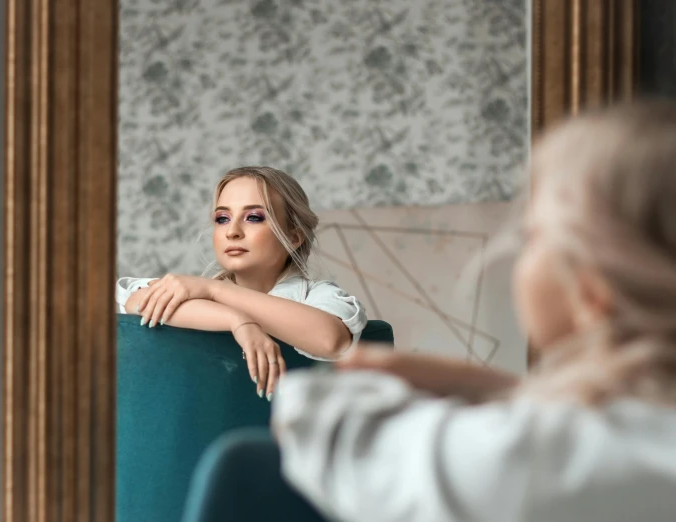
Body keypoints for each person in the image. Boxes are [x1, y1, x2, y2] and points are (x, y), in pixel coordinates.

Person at [181, 101, 676, 522]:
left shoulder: (537, 456)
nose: (233, 231)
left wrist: (217, 297)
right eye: (222, 218)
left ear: (591, 292)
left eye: (533, 235)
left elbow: (314, 416)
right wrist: (233, 316)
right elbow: (134, 296)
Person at [117, 166, 367, 401]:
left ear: (293, 237)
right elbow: (136, 302)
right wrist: (238, 322)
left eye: (254, 217)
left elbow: (332, 341)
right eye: (222, 218)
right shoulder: (189, 292)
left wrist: (216, 290)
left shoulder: (320, 297)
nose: (232, 232)